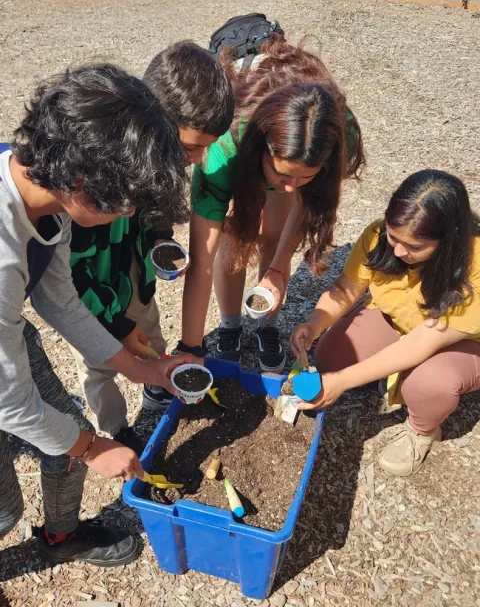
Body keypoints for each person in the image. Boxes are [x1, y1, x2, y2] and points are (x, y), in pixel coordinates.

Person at [0, 63, 188, 565]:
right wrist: (92, 449)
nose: (127, 217)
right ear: (82, 179)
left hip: (6, 336)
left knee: (60, 434)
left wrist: (143, 369)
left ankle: (62, 535)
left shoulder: (42, 192)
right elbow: (9, 402)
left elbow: (59, 299)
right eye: (125, 205)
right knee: (5, 510)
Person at [69, 42, 234, 453]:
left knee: (148, 330)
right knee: (99, 363)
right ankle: (115, 426)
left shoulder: (157, 158)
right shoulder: (89, 186)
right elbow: (72, 280)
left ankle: (156, 384)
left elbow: (154, 211)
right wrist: (117, 327)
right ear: (152, 121)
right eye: (191, 147)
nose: (198, 160)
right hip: (90, 298)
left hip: (132, 276)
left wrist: (158, 241)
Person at [179, 32, 365, 372]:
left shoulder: (340, 135)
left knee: (275, 232)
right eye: (282, 176)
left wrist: (279, 269)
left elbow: (309, 205)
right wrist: (189, 347)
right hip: (245, 139)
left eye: (305, 177)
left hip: (282, 152)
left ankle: (267, 324)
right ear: (259, 153)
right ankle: (230, 325)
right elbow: (201, 258)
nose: (292, 189)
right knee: (236, 235)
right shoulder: (224, 147)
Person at [291, 170, 480, 476]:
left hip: (461, 343)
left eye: (415, 247)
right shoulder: (380, 236)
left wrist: (341, 382)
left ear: (450, 237)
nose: (399, 251)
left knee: (430, 383)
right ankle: (391, 370)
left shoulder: (474, 265)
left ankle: (422, 430)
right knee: (329, 356)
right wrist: (315, 323)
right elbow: (344, 289)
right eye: (394, 237)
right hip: (398, 320)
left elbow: (423, 342)